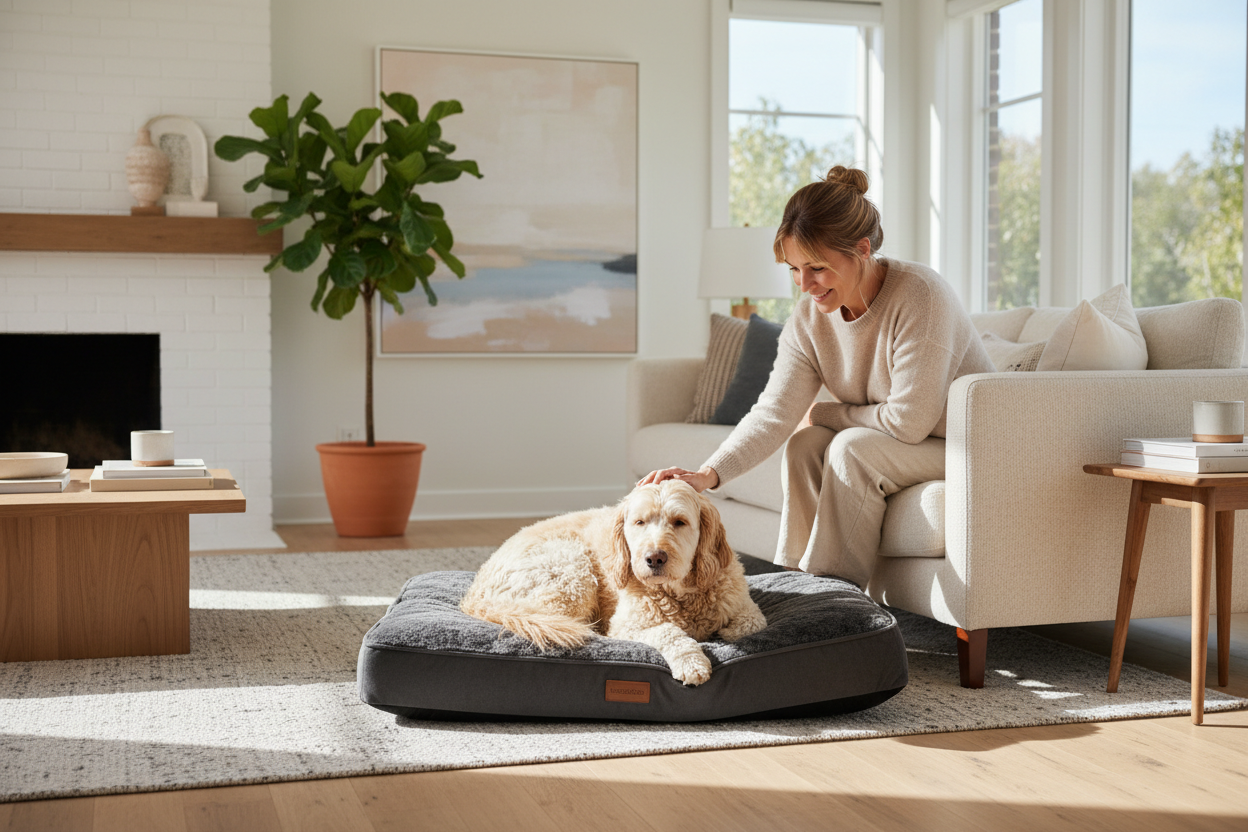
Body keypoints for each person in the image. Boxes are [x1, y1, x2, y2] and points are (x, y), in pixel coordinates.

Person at [640, 166, 994, 589]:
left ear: (862, 249)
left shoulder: (921, 295)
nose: (804, 284)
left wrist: (829, 412)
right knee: (806, 444)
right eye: (793, 269)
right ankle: (796, 581)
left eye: (817, 268)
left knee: (850, 448)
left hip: (968, 446)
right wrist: (708, 475)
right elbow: (774, 411)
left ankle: (833, 598)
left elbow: (909, 421)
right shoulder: (811, 317)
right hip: (905, 444)